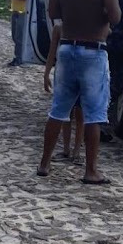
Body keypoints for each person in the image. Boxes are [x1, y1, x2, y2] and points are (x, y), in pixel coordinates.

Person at [36, 0, 121, 185]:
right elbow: (116, 17)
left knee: (59, 110)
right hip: (93, 51)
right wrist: (102, 15)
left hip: (66, 47)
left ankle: (44, 164)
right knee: (94, 113)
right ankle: (91, 170)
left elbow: (52, 11)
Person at [44, 22, 85, 162]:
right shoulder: (59, 28)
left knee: (80, 114)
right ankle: (67, 149)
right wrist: (47, 73)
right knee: (66, 114)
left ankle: (76, 151)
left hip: (79, 74)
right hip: (64, 74)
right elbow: (52, 51)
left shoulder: (86, 26)